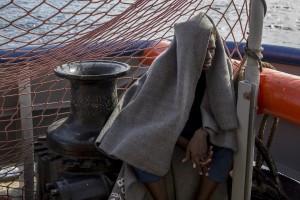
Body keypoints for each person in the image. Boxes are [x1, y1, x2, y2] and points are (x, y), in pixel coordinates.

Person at [95, 12, 237, 200]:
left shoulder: (219, 68)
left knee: (226, 146)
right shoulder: (164, 67)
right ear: (187, 50)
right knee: (138, 144)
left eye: (212, 49)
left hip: (204, 134)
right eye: (203, 51)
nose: (210, 56)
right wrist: (187, 144)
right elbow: (148, 117)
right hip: (171, 135)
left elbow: (224, 115)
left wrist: (203, 133)